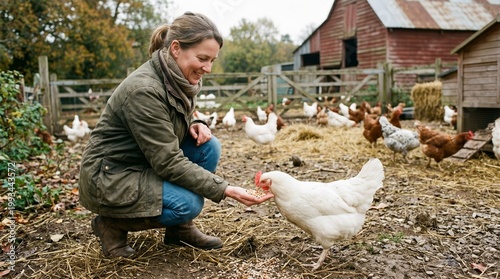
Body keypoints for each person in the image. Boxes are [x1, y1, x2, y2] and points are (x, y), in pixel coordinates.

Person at [78, 11, 274, 258]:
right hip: (111, 175)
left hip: (141, 162)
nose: (208, 68)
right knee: (187, 204)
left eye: (212, 60)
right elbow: (167, 161)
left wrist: (195, 121)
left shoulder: (176, 77)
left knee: (208, 146)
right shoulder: (144, 90)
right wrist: (226, 189)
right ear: (175, 48)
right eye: (203, 58)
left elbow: (168, 115)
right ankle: (111, 225)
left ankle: (179, 231)